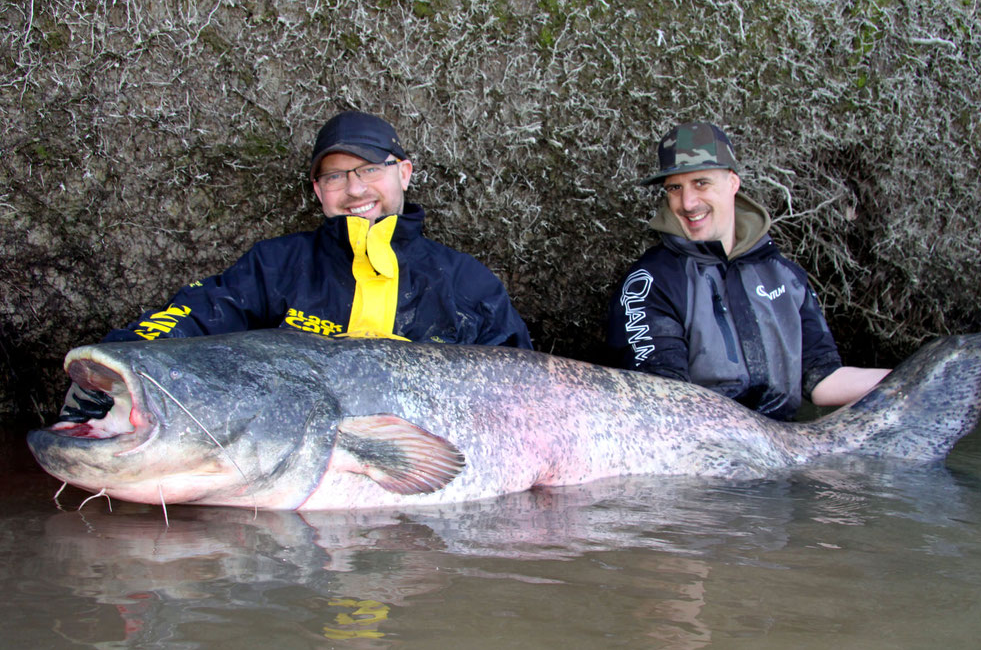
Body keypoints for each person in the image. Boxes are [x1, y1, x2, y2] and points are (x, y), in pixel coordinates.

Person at [60, 111, 531, 420]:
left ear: (403, 172)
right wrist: (121, 362)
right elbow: (197, 313)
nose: (355, 188)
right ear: (317, 190)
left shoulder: (468, 282)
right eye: (335, 176)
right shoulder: (277, 265)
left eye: (371, 169)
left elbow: (526, 389)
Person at [606, 121, 888, 421]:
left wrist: (909, 382)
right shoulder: (651, 280)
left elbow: (822, 379)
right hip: (697, 445)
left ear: (733, 183)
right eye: (675, 188)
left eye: (701, 183)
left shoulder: (785, 276)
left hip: (781, 445)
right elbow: (659, 396)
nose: (688, 203)